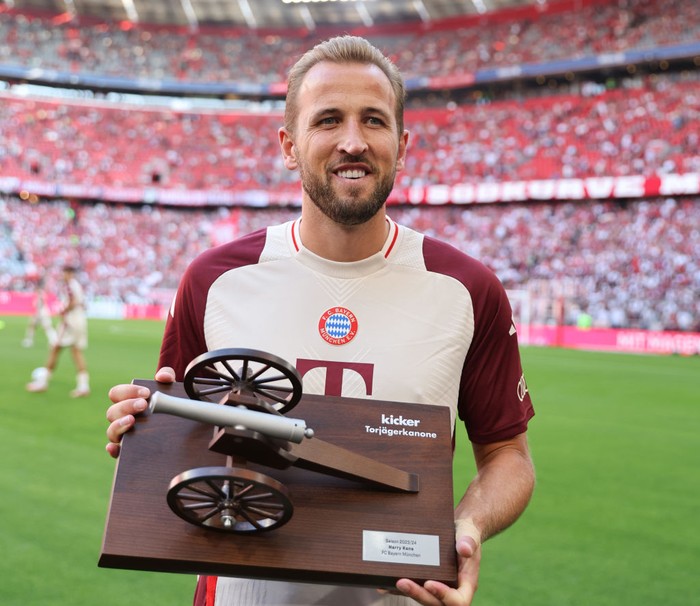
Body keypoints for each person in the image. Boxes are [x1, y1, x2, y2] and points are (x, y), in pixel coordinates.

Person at [106, 35, 535, 606]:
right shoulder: (215, 279)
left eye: (374, 121)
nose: (353, 142)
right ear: (289, 144)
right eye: (328, 120)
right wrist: (138, 424)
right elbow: (179, 433)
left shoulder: (468, 289)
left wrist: (467, 528)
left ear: (402, 145)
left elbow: (508, 455)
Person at [27, 264, 90, 398]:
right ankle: (83, 386)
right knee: (76, 352)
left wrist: (62, 310)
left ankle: (42, 382)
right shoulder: (76, 285)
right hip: (79, 321)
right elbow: (82, 303)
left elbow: (72, 302)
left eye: (65, 273)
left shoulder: (69, 285)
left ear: (70, 273)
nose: (63, 275)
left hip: (70, 323)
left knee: (55, 349)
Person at [22, 274, 57, 348]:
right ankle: (29, 340)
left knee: (46, 327)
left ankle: (53, 340)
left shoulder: (40, 293)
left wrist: (38, 311)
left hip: (41, 312)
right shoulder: (40, 293)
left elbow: (42, 302)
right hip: (40, 312)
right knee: (33, 326)